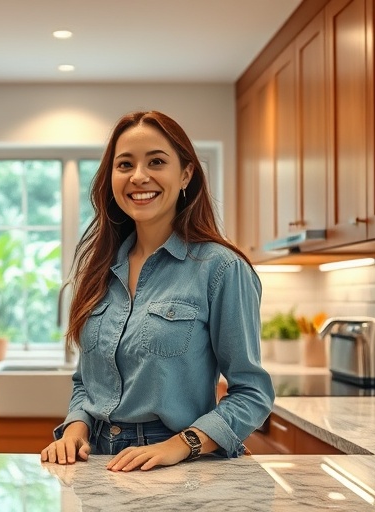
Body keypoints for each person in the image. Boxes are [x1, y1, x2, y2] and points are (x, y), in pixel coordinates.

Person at [40, 110, 274, 472]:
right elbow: (86, 382)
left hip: (182, 470)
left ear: (186, 174)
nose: (138, 176)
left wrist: (181, 445)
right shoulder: (99, 270)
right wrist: (75, 429)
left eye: (156, 161)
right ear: (111, 179)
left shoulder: (221, 269)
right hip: (99, 467)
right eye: (125, 164)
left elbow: (252, 393)